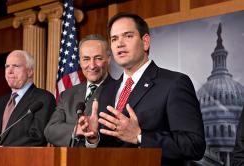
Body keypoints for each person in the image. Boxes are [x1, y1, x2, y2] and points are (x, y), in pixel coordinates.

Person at [79, 12, 206, 165]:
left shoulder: (174, 83)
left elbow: (194, 144)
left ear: (145, 42)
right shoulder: (107, 89)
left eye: (128, 36)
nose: (120, 43)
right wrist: (94, 139)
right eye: (114, 39)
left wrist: (139, 136)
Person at [44, 34, 114, 146]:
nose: (92, 65)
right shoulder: (67, 95)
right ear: (80, 62)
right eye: (86, 59)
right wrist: (77, 130)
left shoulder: (119, 89)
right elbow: (50, 130)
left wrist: (92, 137)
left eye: (98, 58)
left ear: (109, 59)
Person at [0, 50, 56, 146]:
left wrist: (3, 149)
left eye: (16, 66)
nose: (9, 71)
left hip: (24, 159)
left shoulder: (44, 99)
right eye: (7, 66)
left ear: (30, 72)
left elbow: (37, 136)